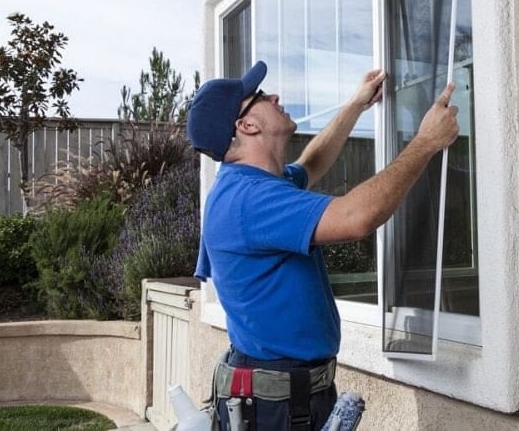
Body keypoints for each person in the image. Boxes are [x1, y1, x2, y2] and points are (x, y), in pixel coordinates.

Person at [185, 60, 459, 431]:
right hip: (278, 409)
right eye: (262, 96)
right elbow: (357, 217)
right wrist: (425, 142)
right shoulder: (250, 201)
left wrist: (356, 104)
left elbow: (311, 163)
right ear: (247, 125)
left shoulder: (258, 184)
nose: (275, 95)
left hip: (285, 395)